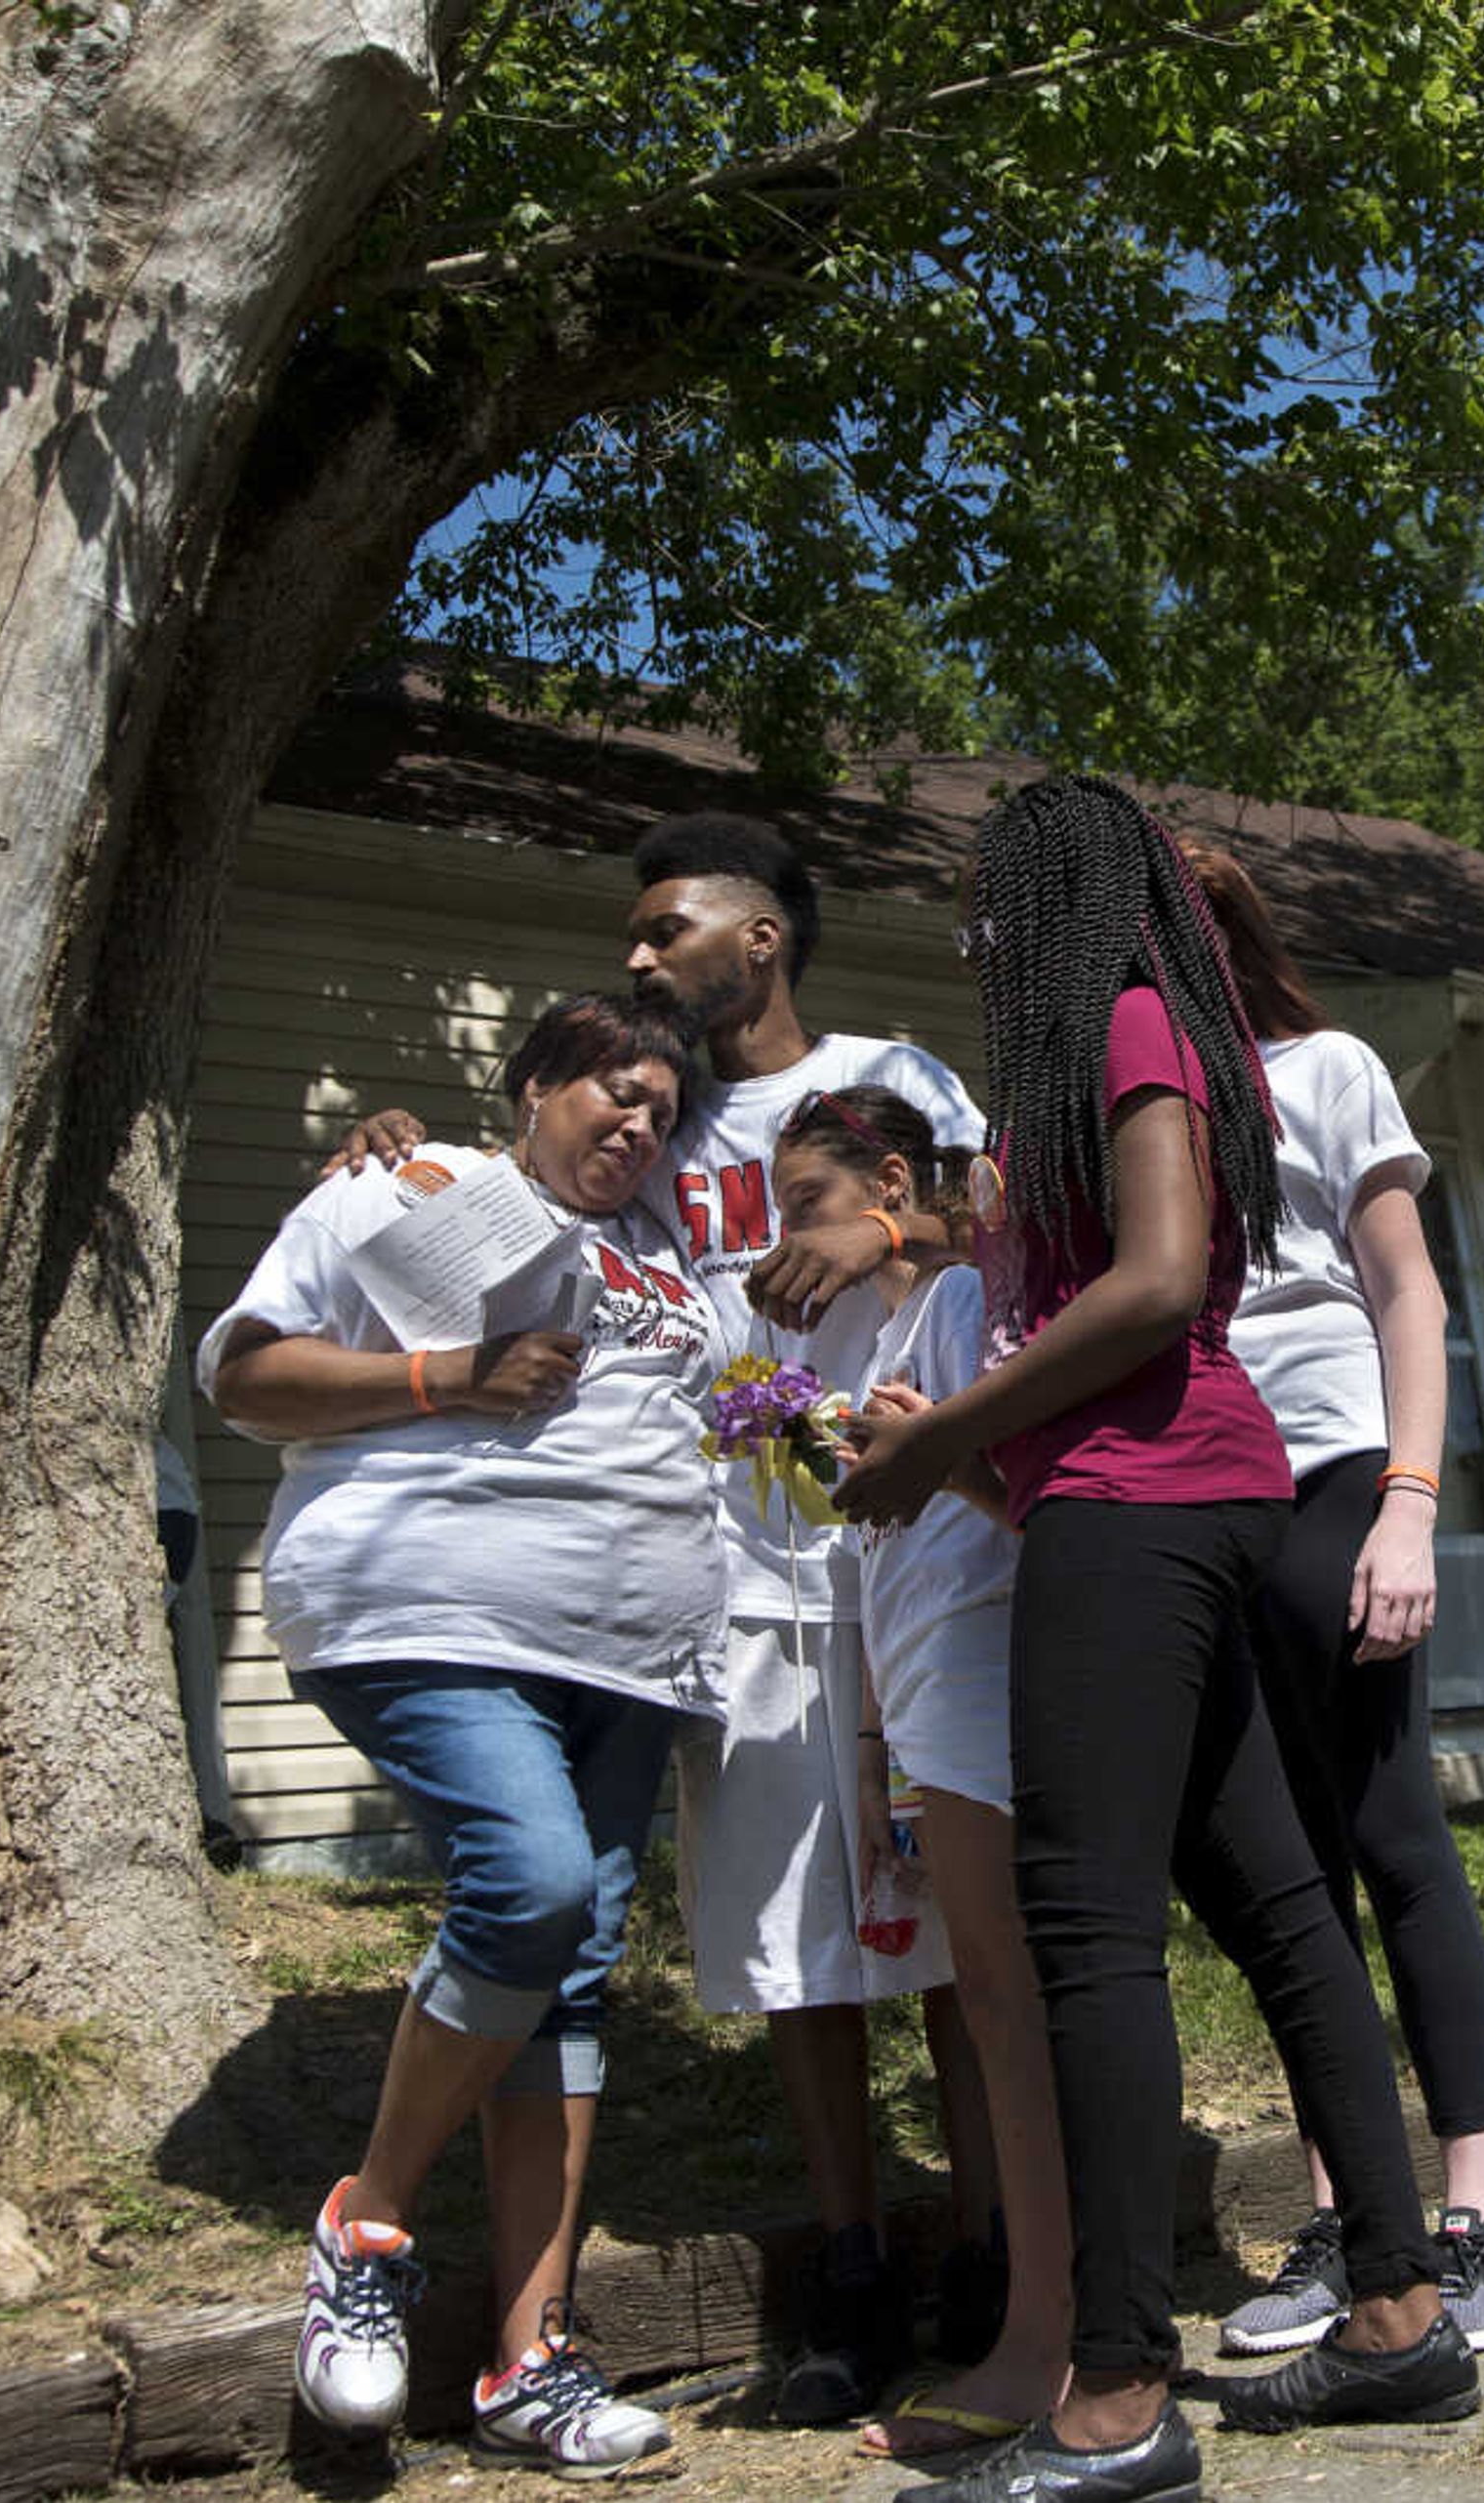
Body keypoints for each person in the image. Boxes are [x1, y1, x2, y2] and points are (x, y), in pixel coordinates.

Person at [835, 775, 1478, 2503]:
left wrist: (952, 1418)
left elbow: (1155, 1277)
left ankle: (1117, 2393)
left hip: (1147, 1503)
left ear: (1060, 897)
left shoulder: (1126, 1016)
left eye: (991, 901)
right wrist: (940, 1455)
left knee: (1088, 1932)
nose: (975, 933)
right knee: (1280, 1907)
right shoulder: (1117, 1047)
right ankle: (1401, 2310)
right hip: (1155, 1498)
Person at [335, 813, 992, 2422]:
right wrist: (398, 1146)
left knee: (961, 1923)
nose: (636, 957)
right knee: (796, 1949)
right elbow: (511, 1209)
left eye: (665, 927)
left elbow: (1005, 1223)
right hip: (727, 1578)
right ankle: (846, 2266)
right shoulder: (654, 1121)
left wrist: (881, 1227)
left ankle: (991, 2239)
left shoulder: (884, 1073)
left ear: (760, 935)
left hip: (915, 1551)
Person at [203, 992, 721, 2478]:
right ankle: (365, 2224)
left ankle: (530, 2356)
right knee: (533, 1882)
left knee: (569, 1979)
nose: (637, 1123)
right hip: (428, 1605)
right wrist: (445, 1376)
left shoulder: (671, 1255)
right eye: (613, 1093)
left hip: (629, 1652)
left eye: (662, 1112)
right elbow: (247, 1375)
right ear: (535, 1084)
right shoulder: (406, 1187)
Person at [1179, 840, 1484, 2358]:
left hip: (1332, 1471)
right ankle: (1345, 2212)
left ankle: (1477, 2213)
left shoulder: (1323, 1067)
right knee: (1286, 1872)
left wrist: (1409, 1502)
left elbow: (1409, 1293)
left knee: (1390, 1835)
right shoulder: (1124, 1115)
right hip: (1199, 1501)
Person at [761, 1085, 1077, 2462]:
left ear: (892, 1181)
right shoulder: (895, 1333)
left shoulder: (958, 1301)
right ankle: (1046, 2305)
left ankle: (1058, 2323)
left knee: (1014, 1991)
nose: (790, 1245)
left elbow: (1028, 1491)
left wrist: (928, 1451)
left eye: (808, 1209)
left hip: (988, 1671)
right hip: (923, 1693)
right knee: (992, 1982)